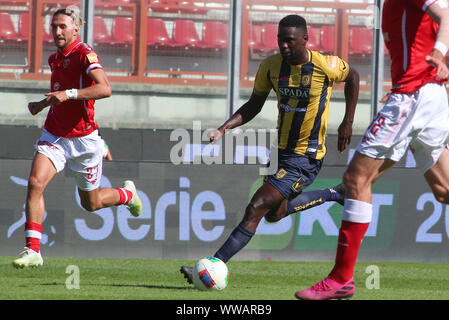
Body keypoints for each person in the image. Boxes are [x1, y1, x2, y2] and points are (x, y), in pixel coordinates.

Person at [180, 14, 360, 283]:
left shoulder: (324, 65)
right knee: (275, 213)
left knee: (257, 206)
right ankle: (334, 193)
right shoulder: (271, 66)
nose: (283, 46)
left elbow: (354, 76)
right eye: (280, 40)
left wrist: (347, 121)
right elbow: (254, 104)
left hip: (306, 156)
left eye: (289, 40)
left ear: (304, 40)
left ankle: (212, 265)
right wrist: (223, 128)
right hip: (280, 152)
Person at [295, 0, 449, 300]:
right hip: (427, 95)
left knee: (356, 180)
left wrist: (439, 53)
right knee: (444, 189)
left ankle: (341, 279)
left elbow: (445, 15)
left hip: (413, 96)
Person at [13, 5, 142, 268]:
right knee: (35, 182)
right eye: (54, 27)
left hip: (84, 141)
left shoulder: (84, 53)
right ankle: (33, 251)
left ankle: (127, 195)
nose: (57, 31)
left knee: (91, 203)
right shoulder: (55, 59)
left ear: (75, 28)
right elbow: (61, 95)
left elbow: (105, 89)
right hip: (55, 135)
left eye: (63, 27)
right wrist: (42, 104)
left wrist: (69, 94)